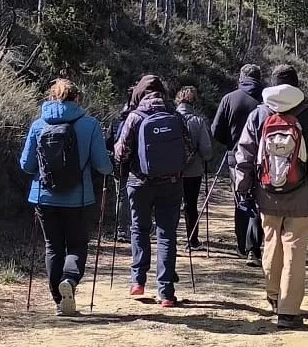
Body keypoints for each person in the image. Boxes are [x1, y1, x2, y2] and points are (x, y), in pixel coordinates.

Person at [233, 64, 308, 329]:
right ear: (296, 85)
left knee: (271, 242)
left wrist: (243, 186)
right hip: (301, 193)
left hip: (267, 192)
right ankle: (289, 312)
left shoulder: (260, 114)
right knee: (294, 249)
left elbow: (243, 153)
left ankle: (273, 295)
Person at [19, 78, 112, 317]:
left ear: (50, 97)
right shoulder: (90, 125)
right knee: (78, 244)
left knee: (53, 247)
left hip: (44, 197)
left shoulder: (38, 125)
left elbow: (26, 165)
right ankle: (69, 280)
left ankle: (59, 301)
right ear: (77, 98)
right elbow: (103, 166)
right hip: (78, 198)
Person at [113, 74, 190, 307]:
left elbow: (121, 152)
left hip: (139, 183)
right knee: (166, 234)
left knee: (139, 229)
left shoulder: (135, 117)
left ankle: (138, 281)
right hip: (171, 184)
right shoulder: (175, 116)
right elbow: (187, 150)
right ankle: (166, 292)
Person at [209, 63, 266, 264]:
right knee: (259, 200)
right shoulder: (266, 99)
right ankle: (255, 247)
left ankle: (242, 245)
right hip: (264, 159)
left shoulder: (229, 99)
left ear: (241, 77)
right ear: (259, 78)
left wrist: (232, 144)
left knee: (241, 198)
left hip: (236, 157)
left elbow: (216, 130)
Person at [174, 86, 218, 251]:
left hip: (171, 171)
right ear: (194, 102)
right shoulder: (197, 121)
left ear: (178, 100)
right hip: (193, 171)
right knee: (190, 204)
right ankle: (192, 240)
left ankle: (168, 238)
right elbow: (207, 152)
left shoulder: (170, 119)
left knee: (171, 204)